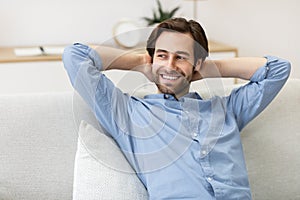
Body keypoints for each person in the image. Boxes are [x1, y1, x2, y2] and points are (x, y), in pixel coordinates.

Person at [63, 17, 291, 200]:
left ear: (197, 64)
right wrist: (141, 63)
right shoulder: (127, 113)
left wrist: (210, 68)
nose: (170, 66)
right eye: (162, 55)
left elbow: (278, 70)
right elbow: (75, 57)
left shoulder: (227, 109)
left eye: (181, 57)